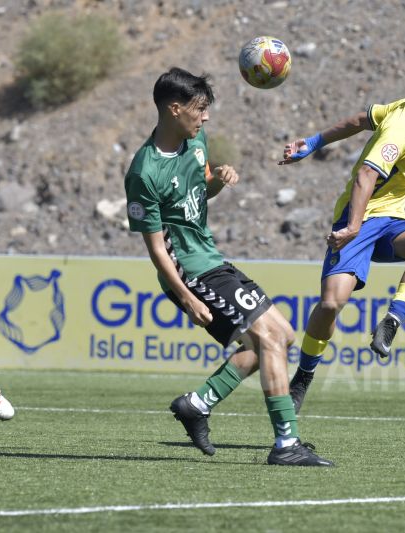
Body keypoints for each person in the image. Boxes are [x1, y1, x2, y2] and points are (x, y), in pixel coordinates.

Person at [124, 67, 332, 466]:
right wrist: (185, 297)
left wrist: (218, 179)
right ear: (174, 109)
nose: (205, 118)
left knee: (280, 336)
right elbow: (155, 248)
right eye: (199, 109)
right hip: (189, 269)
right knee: (270, 339)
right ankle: (286, 445)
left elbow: (199, 189)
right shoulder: (144, 172)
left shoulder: (195, 141)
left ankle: (197, 404)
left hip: (211, 257)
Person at [279, 52, 405, 413]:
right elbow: (367, 175)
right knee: (331, 303)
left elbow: (359, 119)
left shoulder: (402, 110)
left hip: (389, 223)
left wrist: (314, 141)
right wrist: (351, 226)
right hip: (357, 222)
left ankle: (392, 321)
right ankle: (303, 375)